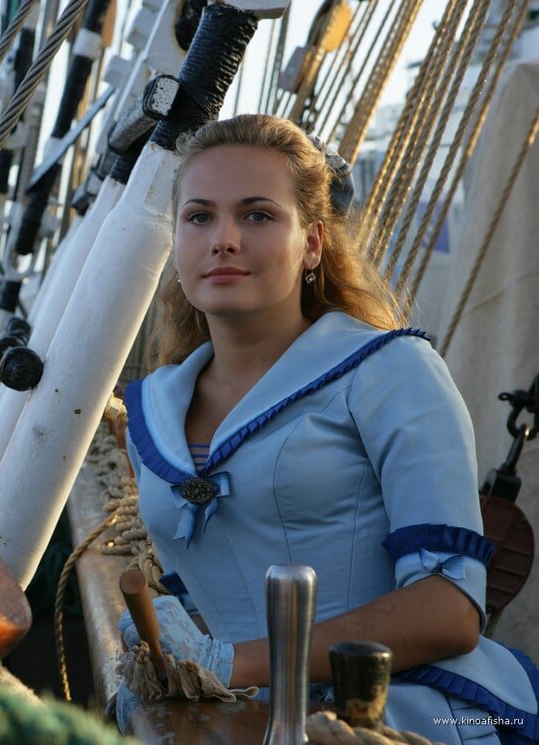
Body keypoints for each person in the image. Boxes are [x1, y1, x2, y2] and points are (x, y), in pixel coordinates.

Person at [119, 114, 538, 744]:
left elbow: (451, 610)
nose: (224, 239)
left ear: (313, 243)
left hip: (400, 717)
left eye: (258, 215)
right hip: (222, 719)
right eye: (199, 216)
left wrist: (231, 664)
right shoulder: (150, 413)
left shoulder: (394, 373)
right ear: (177, 244)